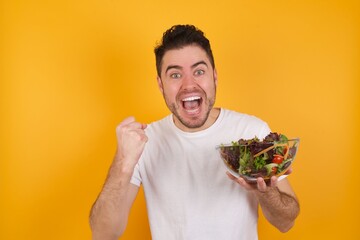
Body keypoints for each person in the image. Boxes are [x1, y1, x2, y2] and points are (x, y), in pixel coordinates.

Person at [89, 24, 300, 240]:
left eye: (199, 71)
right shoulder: (145, 141)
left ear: (215, 77)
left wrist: (264, 191)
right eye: (175, 75)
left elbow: (286, 222)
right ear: (161, 85)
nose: (189, 84)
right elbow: (103, 233)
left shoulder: (251, 132)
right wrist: (122, 165)